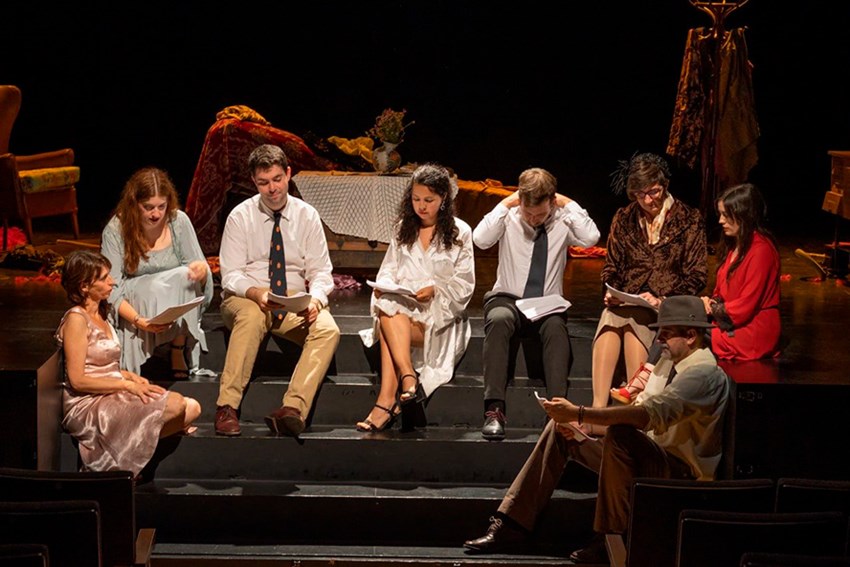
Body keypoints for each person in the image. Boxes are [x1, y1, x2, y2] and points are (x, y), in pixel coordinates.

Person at [463, 295, 730, 563]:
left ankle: (611, 537)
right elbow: (639, 410)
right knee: (561, 429)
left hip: (679, 473)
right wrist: (582, 424)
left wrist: (580, 412)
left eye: (666, 334)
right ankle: (512, 523)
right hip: (644, 457)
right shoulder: (666, 363)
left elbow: (645, 416)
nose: (658, 340)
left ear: (691, 336)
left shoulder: (703, 374)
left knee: (621, 436)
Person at [215, 144, 340, 437]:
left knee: (328, 329)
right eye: (263, 182)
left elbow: (321, 272)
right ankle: (227, 406)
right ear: (254, 182)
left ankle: (292, 409)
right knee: (252, 317)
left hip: (291, 300)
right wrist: (256, 293)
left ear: (288, 173)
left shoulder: (307, 215)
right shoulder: (240, 216)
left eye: (276, 179)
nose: (272, 189)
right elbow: (231, 275)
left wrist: (316, 301)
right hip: (247, 296)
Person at [472, 167, 600, 440]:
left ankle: (557, 414)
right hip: (508, 298)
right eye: (527, 213)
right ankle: (494, 410)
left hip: (546, 304)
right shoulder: (509, 216)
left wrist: (567, 203)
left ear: (552, 202)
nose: (533, 220)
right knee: (498, 319)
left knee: (556, 329)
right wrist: (507, 202)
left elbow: (591, 237)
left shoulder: (562, 219)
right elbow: (480, 240)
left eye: (539, 214)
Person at [56, 250, 201, 477]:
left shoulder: (102, 314)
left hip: (112, 390)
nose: (112, 282)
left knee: (192, 408)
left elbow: (102, 364)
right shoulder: (77, 319)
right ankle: (118, 464)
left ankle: (126, 449)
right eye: (104, 278)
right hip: (88, 402)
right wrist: (126, 385)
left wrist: (128, 375)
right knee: (175, 406)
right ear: (84, 286)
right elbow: (78, 380)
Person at [357, 164, 475, 431]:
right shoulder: (403, 228)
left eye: (429, 200)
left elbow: (465, 285)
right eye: (416, 199)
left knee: (388, 323)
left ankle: (386, 400)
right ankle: (406, 380)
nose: (421, 206)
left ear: (443, 199)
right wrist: (384, 287)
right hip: (404, 310)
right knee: (388, 306)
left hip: (441, 317)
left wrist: (436, 289)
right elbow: (388, 270)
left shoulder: (460, 232)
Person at [596, 152, 707, 407]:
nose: (648, 200)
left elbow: (697, 275)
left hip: (666, 305)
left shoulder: (689, 219)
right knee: (611, 316)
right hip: (630, 299)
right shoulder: (624, 217)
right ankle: (598, 407)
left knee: (632, 323)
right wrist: (611, 292)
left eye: (654, 192)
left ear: (664, 185)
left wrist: (662, 299)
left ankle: (636, 404)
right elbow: (611, 267)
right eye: (640, 194)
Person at [100, 167, 213, 379]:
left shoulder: (178, 221)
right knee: (155, 286)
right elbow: (111, 287)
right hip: (136, 296)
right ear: (134, 204)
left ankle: (178, 347)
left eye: (162, 206)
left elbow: (198, 268)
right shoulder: (116, 229)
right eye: (148, 207)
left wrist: (201, 272)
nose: (156, 214)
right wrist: (138, 320)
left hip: (172, 292)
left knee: (184, 276)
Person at [701, 183, 781, 360]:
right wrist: (710, 302)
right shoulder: (734, 245)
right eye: (720, 214)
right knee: (674, 324)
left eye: (726, 215)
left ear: (744, 215)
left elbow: (747, 304)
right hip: (733, 322)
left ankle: (651, 376)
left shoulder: (761, 250)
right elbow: (721, 291)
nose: (721, 221)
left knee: (681, 334)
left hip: (751, 330)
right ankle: (649, 375)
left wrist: (711, 309)